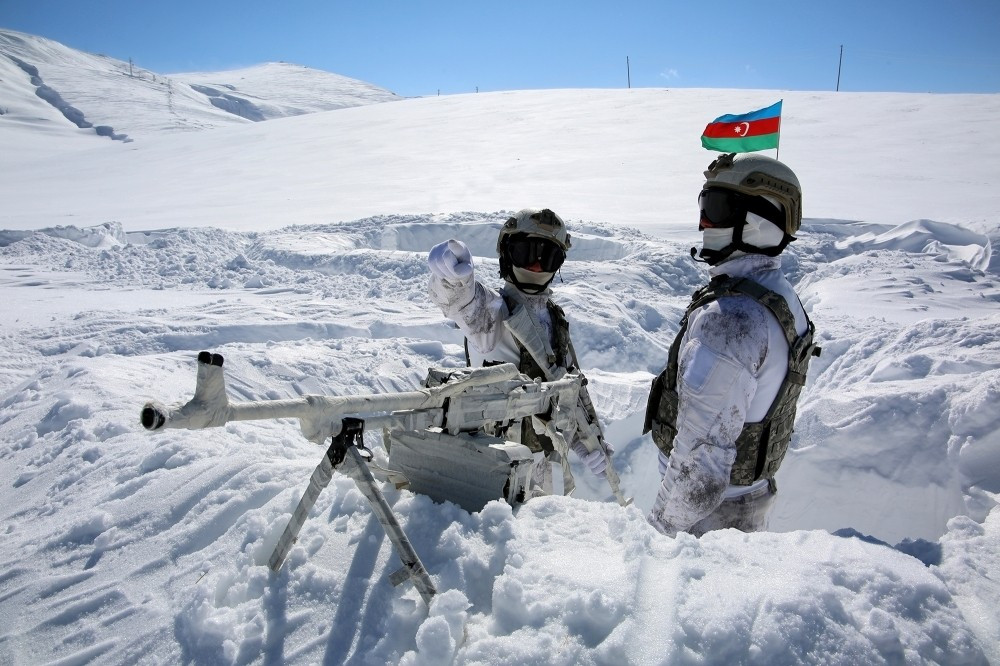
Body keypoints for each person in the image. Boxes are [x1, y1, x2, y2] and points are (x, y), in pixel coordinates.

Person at [643, 153, 821, 537]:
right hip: (747, 502)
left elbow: (699, 472)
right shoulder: (781, 298)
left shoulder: (731, 320)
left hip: (704, 520)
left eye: (718, 209)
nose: (704, 222)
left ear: (760, 220)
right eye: (704, 207)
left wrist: (657, 534)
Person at [427, 208, 615, 493]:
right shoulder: (494, 315)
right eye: (527, 252)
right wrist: (452, 279)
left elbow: (568, 386)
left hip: (541, 460)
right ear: (507, 253)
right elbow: (463, 302)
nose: (537, 266)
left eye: (548, 257)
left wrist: (590, 443)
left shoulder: (554, 318)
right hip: (493, 463)